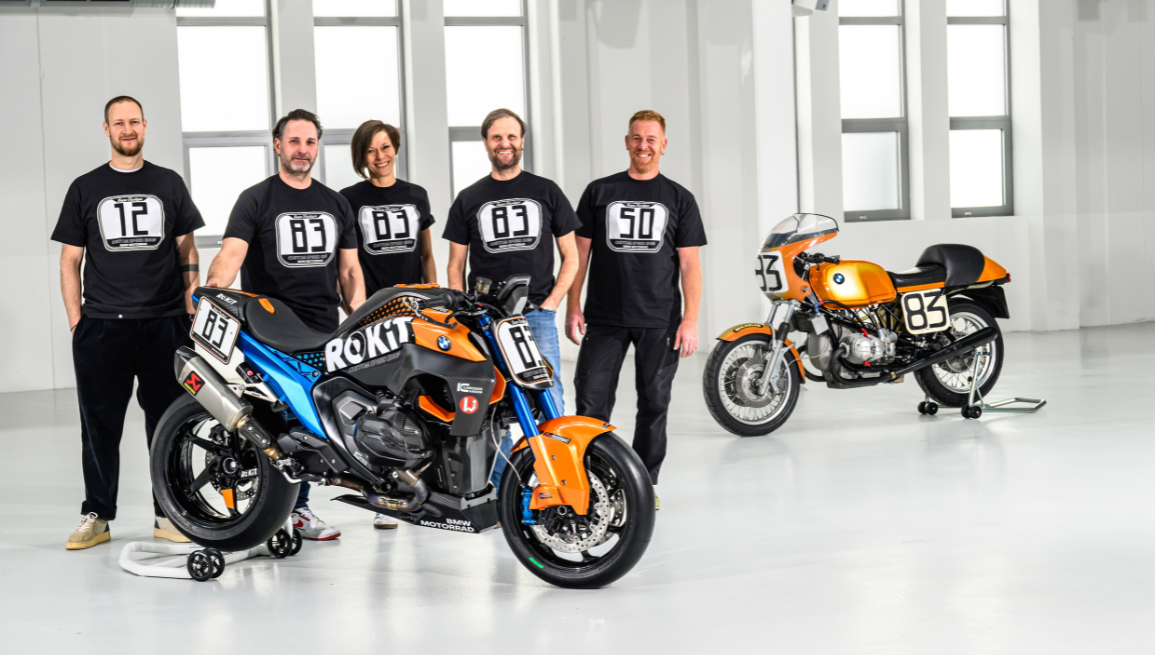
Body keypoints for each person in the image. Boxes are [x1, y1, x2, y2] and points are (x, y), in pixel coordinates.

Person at [206, 109, 364, 540]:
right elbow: (231, 253)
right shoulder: (256, 199)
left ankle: (298, 509)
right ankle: (278, 511)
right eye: (294, 141)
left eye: (310, 142)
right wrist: (214, 288)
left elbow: (349, 271)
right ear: (278, 145)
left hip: (323, 329)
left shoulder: (336, 203)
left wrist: (361, 315)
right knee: (275, 419)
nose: (302, 150)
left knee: (313, 422)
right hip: (270, 331)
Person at [54, 96, 204, 549]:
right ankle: (97, 515)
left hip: (165, 324)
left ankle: (169, 514)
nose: (127, 129)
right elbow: (69, 261)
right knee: (99, 427)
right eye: (118, 122)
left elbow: (187, 249)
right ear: (106, 129)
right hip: (103, 328)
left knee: (169, 425)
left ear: (145, 125)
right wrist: (77, 322)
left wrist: (189, 307)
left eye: (134, 121)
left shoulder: (168, 182)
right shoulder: (85, 187)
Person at [566, 110, 706, 508]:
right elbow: (579, 255)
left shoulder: (679, 198)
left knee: (654, 403)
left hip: (660, 320)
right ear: (627, 142)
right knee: (591, 403)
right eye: (637, 138)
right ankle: (591, 481)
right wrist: (573, 306)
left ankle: (644, 487)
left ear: (663, 145)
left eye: (651, 139)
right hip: (604, 317)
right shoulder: (599, 191)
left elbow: (690, 264)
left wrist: (690, 320)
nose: (644, 145)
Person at [443, 108, 580, 486]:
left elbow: (571, 256)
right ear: (486, 143)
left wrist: (551, 303)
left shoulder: (547, 191)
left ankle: (554, 479)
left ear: (522, 141)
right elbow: (455, 265)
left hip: (536, 315)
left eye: (511, 136)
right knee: (494, 401)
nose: (505, 144)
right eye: (497, 137)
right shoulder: (468, 198)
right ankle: (507, 485)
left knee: (548, 395)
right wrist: (463, 313)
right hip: (486, 321)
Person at [339, 119, 436, 530]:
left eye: (385, 147)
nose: (380, 156)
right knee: (380, 403)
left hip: (415, 313)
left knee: (420, 398)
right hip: (374, 315)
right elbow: (346, 263)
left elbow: (426, 255)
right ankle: (384, 493)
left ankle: (424, 486)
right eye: (371, 150)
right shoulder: (348, 199)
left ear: (395, 147)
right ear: (361, 157)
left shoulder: (416, 195)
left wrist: (432, 299)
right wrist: (355, 311)